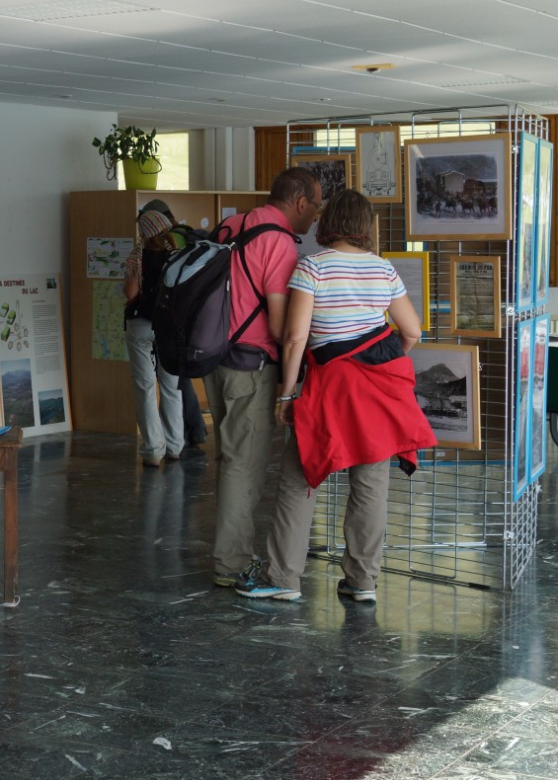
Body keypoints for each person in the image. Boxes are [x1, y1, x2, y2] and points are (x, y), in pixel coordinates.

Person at [238, 190, 434, 602]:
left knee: (300, 479)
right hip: (379, 393)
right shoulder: (384, 270)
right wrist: (379, 359)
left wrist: (286, 395)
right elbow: (412, 331)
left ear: (328, 223)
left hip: (330, 391)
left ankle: (283, 577)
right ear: (366, 226)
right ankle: (363, 582)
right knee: (370, 483)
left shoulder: (312, 267)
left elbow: (294, 337)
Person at [208, 168, 323, 590]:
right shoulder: (277, 244)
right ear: (299, 203)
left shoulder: (231, 225)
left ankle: (229, 552)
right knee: (244, 465)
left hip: (213, 360)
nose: (314, 218)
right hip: (250, 368)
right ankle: (231, 564)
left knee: (228, 457)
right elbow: (278, 328)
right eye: (315, 207)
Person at [138, 199, 208, 448]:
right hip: (189, 319)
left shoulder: (164, 245)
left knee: (166, 382)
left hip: (157, 320)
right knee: (177, 380)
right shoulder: (189, 237)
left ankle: (186, 433)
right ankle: (182, 439)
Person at [123, 209, 184, 467]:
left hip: (141, 325)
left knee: (146, 387)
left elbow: (130, 292)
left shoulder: (137, 254)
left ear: (144, 232)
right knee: (171, 387)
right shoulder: (178, 256)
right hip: (169, 328)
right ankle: (175, 446)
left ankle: (153, 451)